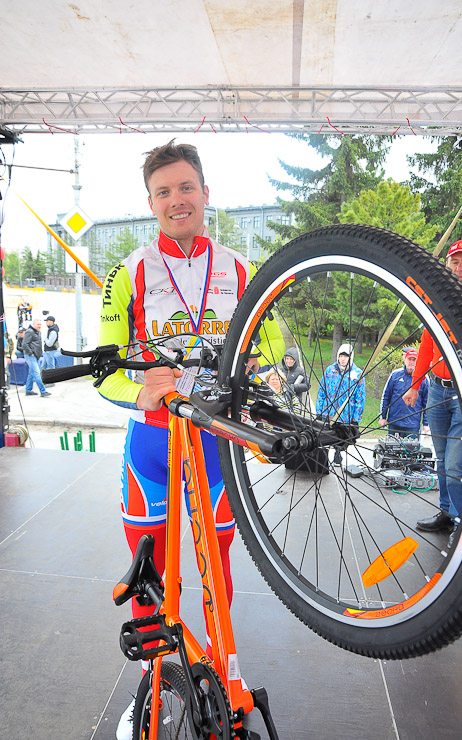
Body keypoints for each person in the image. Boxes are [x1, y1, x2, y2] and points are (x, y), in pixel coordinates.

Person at [96, 140, 283, 740]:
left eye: (186, 187)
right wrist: (140, 393)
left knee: (216, 572)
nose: (176, 200)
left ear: (206, 193)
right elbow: (103, 371)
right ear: (150, 203)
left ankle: (228, 674)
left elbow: (274, 345)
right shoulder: (129, 272)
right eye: (163, 192)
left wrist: (256, 372)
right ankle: (150, 690)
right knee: (151, 578)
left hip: (214, 449)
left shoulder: (239, 269)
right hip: (152, 448)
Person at [403, 239, 462, 543]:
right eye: (455, 261)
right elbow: (427, 344)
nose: (460, 268)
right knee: (442, 458)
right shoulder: (436, 299)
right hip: (437, 392)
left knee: (457, 463)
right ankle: (447, 512)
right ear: (447, 265)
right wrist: (415, 385)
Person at [316, 343, 366, 465]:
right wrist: (319, 412)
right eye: (341, 356)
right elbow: (322, 391)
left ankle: (338, 456)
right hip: (329, 413)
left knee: (341, 439)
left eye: (346, 356)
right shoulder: (330, 371)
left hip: (345, 416)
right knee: (325, 436)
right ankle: (323, 460)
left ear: (350, 357)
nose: (343, 359)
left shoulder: (357, 374)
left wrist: (356, 419)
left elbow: (360, 398)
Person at [379, 348, 430, 438]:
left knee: (411, 447)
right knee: (391, 446)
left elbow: (427, 403)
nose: (411, 362)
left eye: (414, 360)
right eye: (409, 359)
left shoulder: (424, 378)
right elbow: (386, 397)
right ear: (405, 359)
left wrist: (426, 424)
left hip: (412, 425)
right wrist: (382, 417)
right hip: (394, 422)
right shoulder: (395, 375)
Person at [22, 317, 51, 397]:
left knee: (31, 373)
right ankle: (43, 391)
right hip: (31, 356)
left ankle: (28, 390)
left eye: (40, 324)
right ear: (33, 324)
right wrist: (30, 353)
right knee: (37, 373)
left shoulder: (38, 332)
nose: (39, 326)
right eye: (38, 324)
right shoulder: (29, 331)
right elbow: (24, 344)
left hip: (36, 355)